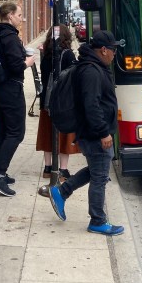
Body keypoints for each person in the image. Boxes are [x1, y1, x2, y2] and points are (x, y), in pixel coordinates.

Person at [48, 30, 125, 236]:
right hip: (95, 133)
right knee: (100, 177)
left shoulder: (94, 66)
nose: (114, 54)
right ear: (103, 50)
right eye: (113, 50)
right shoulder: (91, 71)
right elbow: (91, 105)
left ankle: (61, 191)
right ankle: (97, 220)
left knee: (96, 170)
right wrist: (103, 132)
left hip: (93, 131)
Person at [0, 3, 34, 196]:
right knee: (16, 133)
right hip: (11, 89)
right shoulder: (10, 36)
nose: (21, 19)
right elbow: (15, 65)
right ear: (10, 16)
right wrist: (28, 62)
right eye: (20, 15)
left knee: (3, 131)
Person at [36, 25, 80, 181]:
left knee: (47, 133)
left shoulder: (46, 54)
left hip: (46, 101)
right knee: (65, 135)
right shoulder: (68, 55)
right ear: (66, 36)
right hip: (64, 102)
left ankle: (47, 168)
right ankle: (63, 170)